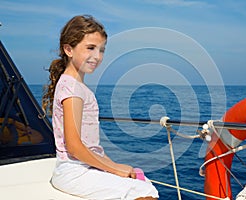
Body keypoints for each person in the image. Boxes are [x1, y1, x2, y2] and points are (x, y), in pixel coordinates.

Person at [42, 15, 159, 200]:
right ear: (68, 49)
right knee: (144, 192)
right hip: (75, 171)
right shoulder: (72, 89)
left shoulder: (74, 86)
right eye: (90, 48)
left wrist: (112, 165)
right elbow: (74, 147)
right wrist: (114, 168)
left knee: (143, 183)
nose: (97, 56)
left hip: (83, 167)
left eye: (101, 50)